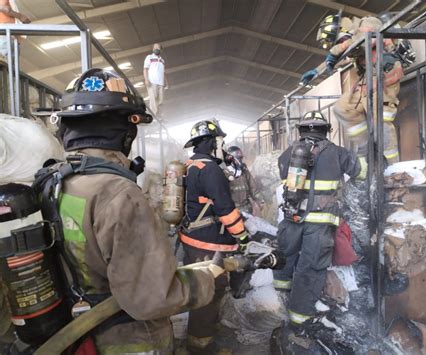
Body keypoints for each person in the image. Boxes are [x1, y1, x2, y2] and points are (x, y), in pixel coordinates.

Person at [33, 68, 222, 354]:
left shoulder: (50, 182)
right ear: (126, 131)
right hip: (126, 339)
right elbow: (152, 297)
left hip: (71, 333)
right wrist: (206, 279)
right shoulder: (119, 195)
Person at [272, 111, 366, 350]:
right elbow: (360, 172)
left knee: (287, 256)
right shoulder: (337, 152)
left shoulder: (288, 154)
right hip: (320, 222)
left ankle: (278, 300)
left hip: (292, 217)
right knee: (311, 267)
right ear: (326, 129)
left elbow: (283, 175)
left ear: (301, 130)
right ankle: (299, 318)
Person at [300, 12, 407, 165]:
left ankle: (393, 167)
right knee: (342, 108)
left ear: (344, 29)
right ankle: (365, 146)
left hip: (386, 78)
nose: (341, 44)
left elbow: (365, 41)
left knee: (380, 123)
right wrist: (317, 71)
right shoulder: (350, 41)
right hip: (368, 80)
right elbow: (342, 57)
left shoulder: (368, 22)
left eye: (340, 40)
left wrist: (336, 50)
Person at [179, 120, 249, 353]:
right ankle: (201, 346)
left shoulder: (189, 165)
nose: (220, 144)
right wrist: (242, 236)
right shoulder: (210, 169)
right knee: (210, 292)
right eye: (218, 140)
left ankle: (202, 336)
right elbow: (225, 209)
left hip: (191, 238)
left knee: (199, 290)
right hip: (208, 244)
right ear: (211, 142)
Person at [224, 145, 265, 216]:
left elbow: (252, 186)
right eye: (238, 158)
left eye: (241, 158)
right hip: (233, 210)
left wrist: (260, 201)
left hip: (247, 208)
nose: (240, 161)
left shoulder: (243, 168)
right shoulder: (224, 171)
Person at [143, 43, 168, 118]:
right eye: (155, 47)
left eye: (158, 47)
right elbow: (145, 69)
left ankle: (160, 116)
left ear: (161, 50)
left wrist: (167, 83)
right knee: (153, 100)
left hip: (161, 83)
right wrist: (146, 80)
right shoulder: (149, 57)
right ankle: (153, 116)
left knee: (161, 101)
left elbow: (164, 72)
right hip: (152, 81)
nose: (156, 49)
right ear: (153, 49)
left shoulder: (162, 60)